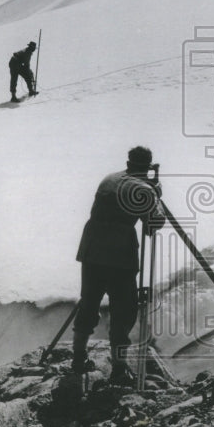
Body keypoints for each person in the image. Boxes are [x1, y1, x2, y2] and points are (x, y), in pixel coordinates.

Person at [72, 146, 164, 382]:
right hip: (120, 257)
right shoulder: (143, 189)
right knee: (123, 311)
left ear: (129, 162)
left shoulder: (109, 179)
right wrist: (156, 195)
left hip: (92, 252)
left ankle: (78, 356)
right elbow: (154, 223)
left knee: (89, 303)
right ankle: (120, 368)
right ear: (147, 167)